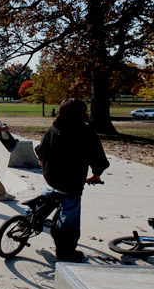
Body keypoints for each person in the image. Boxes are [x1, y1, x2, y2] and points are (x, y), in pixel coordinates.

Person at [34, 98, 110, 263]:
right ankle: (65, 251)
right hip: (70, 183)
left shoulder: (54, 128)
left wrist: (43, 163)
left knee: (46, 201)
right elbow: (98, 159)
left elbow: (40, 150)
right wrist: (96, 175)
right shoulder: (86, 132)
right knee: (70, 219)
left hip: (50, 177)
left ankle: (32, 220)